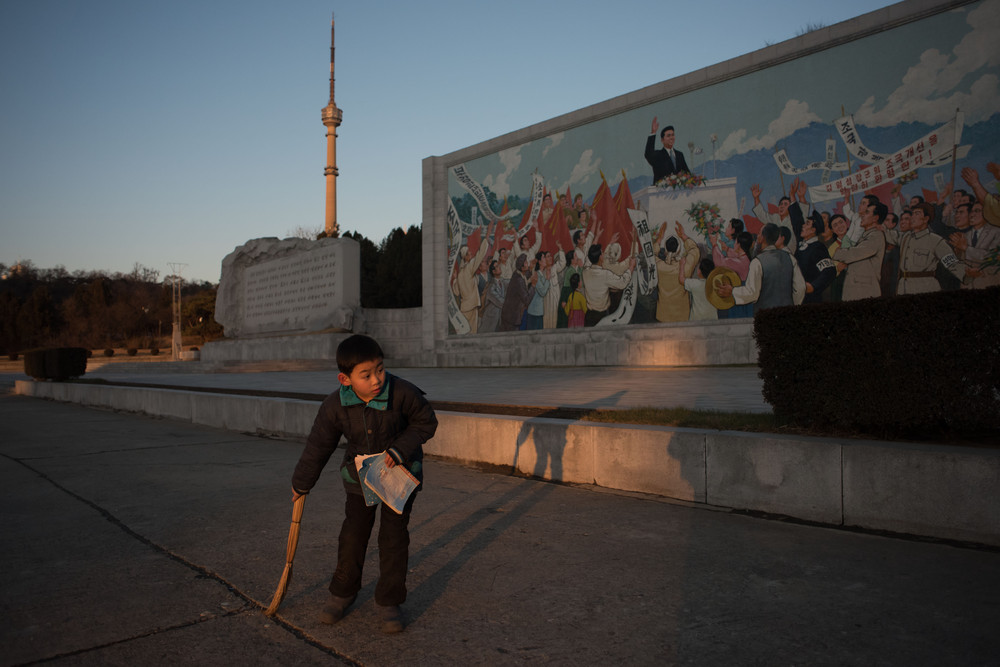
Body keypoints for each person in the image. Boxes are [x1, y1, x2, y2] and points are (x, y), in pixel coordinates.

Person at [291, 334, 438, 634]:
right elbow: (318, 446)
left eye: (380, 369)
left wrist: (400, 449)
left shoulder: (402, 393)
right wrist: (301, 483)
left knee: (393, 540)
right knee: (352, 537)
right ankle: (342, 593)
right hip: (360, 480)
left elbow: (426, 421)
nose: (377, 380)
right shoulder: (335, 406)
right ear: (345, 379)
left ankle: (389, 601)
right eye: (366, 375)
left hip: (399, 478)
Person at [714, 223, 805, 310]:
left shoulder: (757, 262)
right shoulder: (790, 257)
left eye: (759, 234)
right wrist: (793, 306)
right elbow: (800, 288)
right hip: (788, 312)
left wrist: (732, 291)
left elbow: (752, 293)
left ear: (763, 238)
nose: (757, 237)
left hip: (765, 314)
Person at [833, 201, 887, 301]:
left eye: (867, 213)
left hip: (865, 292)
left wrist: (838, 252)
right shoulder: (865, 236)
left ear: (875, 218)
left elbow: (852, 254)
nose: (862, 215)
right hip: (856, 292)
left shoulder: (876, 236)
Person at [795, 211, 837, 304]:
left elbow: (830, 271)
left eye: (807, 224)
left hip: (810, 300)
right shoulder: (801, 246)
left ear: (813, 230)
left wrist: (813, 286)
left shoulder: (818, 248)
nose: (803, 226)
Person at [644, 116, 689, 182]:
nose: (671, 137)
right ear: (662, 140)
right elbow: (648, 154)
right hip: (661, 191)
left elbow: (687, 173)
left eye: (673, 135)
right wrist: (653, 132)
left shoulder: (680, 155)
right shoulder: (658, 155)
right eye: (668, 136)